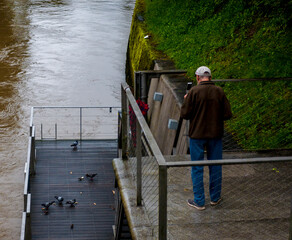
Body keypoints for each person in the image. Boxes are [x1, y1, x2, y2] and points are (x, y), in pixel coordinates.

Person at [180, 66, 232, 210]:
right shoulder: (219, 91)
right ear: (210, 77)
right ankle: (215, 198)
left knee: (197, 167)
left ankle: (199, 201)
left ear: (197, 77)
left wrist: (186, 100)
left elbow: (184, 114)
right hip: (215, 134)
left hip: (197, 135)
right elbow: (227, 114)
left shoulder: (193, 92)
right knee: (215, 166)